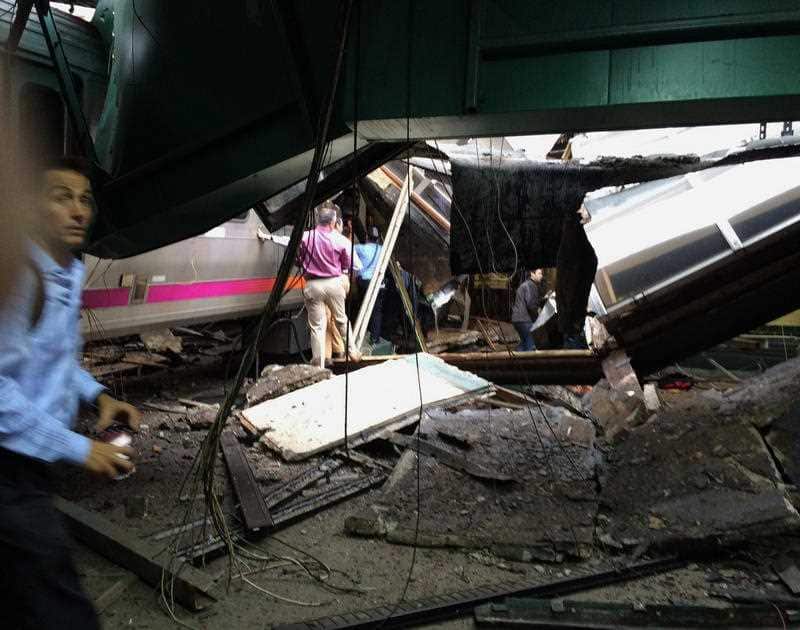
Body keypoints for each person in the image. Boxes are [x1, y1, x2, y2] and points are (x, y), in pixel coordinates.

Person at [0, 156, 142, 629]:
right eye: (61, 197)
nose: (78, 211)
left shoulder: (66, 269)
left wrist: (99, 395)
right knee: (62, 608)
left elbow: (52, 358)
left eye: (85, 199)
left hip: (29, 468)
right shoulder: (18, 276)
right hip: (7, 471)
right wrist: (80, 448)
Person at [297, 202, 361, 367]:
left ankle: (318, 364)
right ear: (333, 222)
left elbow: (298, 259)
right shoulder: (339, 239)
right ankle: (352, 351)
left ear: (318, 221)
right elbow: (348, 263)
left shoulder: (305, 237)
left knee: (317, 327)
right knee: (341, 319)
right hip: (334, 284)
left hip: (312, 285)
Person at [354, 226, 384, 343]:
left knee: (362, 307)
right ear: (377, 239)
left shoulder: (361, 248)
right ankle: (375, 338)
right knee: (377, 311)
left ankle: (360, 335)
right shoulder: (382, 249)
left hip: (365, 283)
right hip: (378, 283)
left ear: (367, 237)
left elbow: (346, 248)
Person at [511, 269, 544, 351]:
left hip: (517, 319)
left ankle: (516, 360)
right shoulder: (531, 285)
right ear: (532, 274)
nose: (541, 276)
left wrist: (542, 300)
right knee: (530, 344)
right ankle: (529, 362)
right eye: (539, 273)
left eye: (542, 274)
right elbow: (531, 304)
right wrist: (538, 317)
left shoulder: (525, 285)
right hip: (524, 319)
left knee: (524, 343)